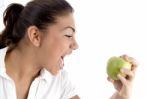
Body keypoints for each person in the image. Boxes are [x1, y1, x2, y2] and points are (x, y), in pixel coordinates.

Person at [0, 0, 138, 99]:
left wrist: (122, 95)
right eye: (68, 35)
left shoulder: (59, 81)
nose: (75, 45)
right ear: (36, 36)